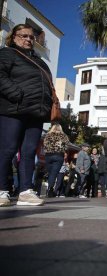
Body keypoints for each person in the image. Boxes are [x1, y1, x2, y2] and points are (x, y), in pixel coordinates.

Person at [0, 24, 54, 207]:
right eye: (24, 36)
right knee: (7, 149)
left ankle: (25, 191)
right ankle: (2, 191)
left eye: (32, 37)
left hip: (36, 112)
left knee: (29, 152)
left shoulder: (40, 62)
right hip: (13, 109)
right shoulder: (7, 54)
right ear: (13, 37)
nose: (29, 39)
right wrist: (16, 94)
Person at [43, 123, 70, 197]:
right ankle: (50, 189)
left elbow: (44, 144)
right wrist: (62, 150)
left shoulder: (47, 135)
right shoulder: (64, 136)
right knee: (54, 173)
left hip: (48, 155)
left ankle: (49, 188)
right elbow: (67, 146)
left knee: (50, 172)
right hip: (58, 155)